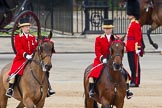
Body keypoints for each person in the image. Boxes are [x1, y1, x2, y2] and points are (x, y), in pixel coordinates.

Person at [5, 17, 55, 97]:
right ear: (22, 28)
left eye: (28, 26)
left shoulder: (32, 37)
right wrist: (25, 55)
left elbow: (38, 44)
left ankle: (48, 88)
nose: (27, 28)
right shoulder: (18, 37)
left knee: (44, 69)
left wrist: (49, 41)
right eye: (25, 27)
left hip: (31, 58)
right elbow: (19, 49)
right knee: (15, 72)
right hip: (21, 58)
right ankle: (10, 89)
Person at [88, 19, 133, 99]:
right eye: (106, 29)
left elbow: (122, 46)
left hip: (113, 61)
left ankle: (127, 90)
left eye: (109, 29)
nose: (108, 30)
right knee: (93, 74)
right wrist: (102, 58)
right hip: (101, 60)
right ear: (103, 29)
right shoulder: (99, 38)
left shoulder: (116, 38)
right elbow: (97, 51)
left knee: (126, 74)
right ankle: (92, 90)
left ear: (112, 29)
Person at [125, 0, 144, 87]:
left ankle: (135, 81)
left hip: (134, 48)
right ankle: (133, 80)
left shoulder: (136, 24)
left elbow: (138, 37)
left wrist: (138, 48)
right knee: (131, 65)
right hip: (130, 47)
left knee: (135, 66)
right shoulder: (132, 24)